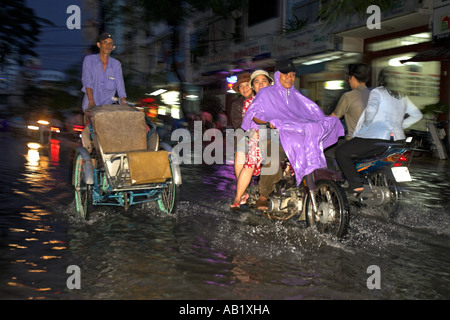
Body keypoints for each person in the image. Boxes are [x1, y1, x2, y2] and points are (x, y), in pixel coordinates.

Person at [241, 60, 344, 210]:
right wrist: (269, 121)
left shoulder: (297, 95)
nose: (289, 78)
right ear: (277, 76)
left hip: (296, 136)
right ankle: (263, 195)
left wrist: (324, 121)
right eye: (285, 75)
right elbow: (254, 114)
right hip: (273, 135)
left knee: (318, 153)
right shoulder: (266, 92)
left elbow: (311, 112)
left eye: (292, 75)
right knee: (274, 157)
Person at [335, 67, 423, 193]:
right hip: (397, 140)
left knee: (342, 152)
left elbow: (371, 110)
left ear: (381, 79)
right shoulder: (402, 96)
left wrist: (367, 125)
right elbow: (417, 115)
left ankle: (355, 184)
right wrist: (399, 125)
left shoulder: (378, 92)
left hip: (375, 138)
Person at [231, 70, 273, 209]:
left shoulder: (274, 98)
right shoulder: (241, 103)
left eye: (246, 85)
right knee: (241, 155)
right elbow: (240, 126)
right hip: (247, 134)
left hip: (273, 134)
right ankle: (241, 193)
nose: (244, 89)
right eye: (241, 87)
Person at [325, 63, 370, 169]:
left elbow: (332, 119)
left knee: (327, 151)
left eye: (349, 78)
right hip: (373, 142)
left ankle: (334, 181)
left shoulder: (348, 96)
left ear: (353, 78)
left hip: (354, 143)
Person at [81, 32, 127, 113]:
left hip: (106, 109)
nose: (107, 46)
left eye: (110, 43)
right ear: (99, 45)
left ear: (113, 47)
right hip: (90, 106)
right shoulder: (89, 60)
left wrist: (123, 102)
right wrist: (91, 101)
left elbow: (120, 85)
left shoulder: (116, 64)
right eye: (104, 42)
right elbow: (87, 81)